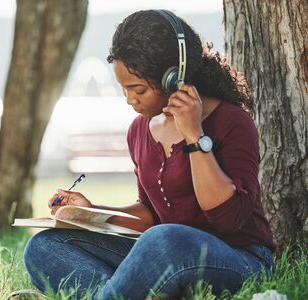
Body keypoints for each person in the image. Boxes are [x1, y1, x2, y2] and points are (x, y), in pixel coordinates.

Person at [22, 9, 275, 299]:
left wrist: (194, 135)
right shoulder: (139, 130)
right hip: (164, 253)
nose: (130, 100)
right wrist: (91, 212)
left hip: (239, 260)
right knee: (45, 246)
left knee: (163, 240)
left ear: (172, 77)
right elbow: (150, 214)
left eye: (138, 89)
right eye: (125, 89)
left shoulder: (232, 121)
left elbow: (229, 218)